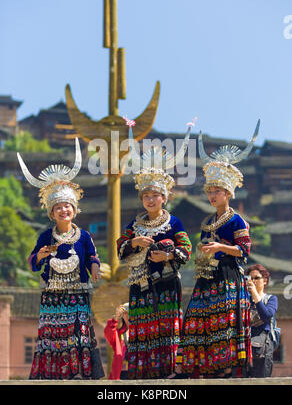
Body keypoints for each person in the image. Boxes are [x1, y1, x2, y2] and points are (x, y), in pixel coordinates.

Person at [17, 138, 105, 380]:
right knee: (53, 335)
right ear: (52, 213)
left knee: (78, 334)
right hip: (53, 294)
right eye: (59, 208)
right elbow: (33, 263)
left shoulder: (84, 235)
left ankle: (78, 372)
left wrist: (95, 268)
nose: (64, 211)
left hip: (77, 292)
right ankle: (52, 374)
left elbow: (92, 257)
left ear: (74, 210)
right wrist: (41, 255)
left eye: (68, 207)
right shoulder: (45, 235)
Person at [178, 122, 260, 378]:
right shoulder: (207, 222)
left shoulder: (238, 221)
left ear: (228, 193)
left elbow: (244, 251)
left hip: (227, 276)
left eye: (217, 192)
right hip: (206, 277)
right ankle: (207, 364)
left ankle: (225, 365)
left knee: (224, 320)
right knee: (202, 319)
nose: (212, 196)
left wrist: (221, 247)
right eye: (210, 191)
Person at [117, 126, 192, 379]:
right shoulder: (134, 225)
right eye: (146, 196)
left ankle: (168, 374)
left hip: (167, 285)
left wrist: (168, 256)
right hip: (140, 286)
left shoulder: (175, 223)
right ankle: (142, 374)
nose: (150, 200)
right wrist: (134, 242)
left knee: (167, 329)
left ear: (164, 198)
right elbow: (120, 250)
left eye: (155, 196)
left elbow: (186, 250)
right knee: (142, 329)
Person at [245, 264, 278, 378]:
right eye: (250, 278)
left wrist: (254, 293)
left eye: (256, 278)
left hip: (262, 347)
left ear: (265, 281)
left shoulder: (271, 299)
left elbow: (266, 315)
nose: (253, 281)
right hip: (245, 345)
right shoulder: (244, 300)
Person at [104, 303, 129, 380]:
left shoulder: (143, 332)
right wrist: (115, 318)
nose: (129, 316)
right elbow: (109, 333)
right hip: (121, 374)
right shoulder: (120, 333)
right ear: (123, 316)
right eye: (126, 313)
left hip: (138, 372)